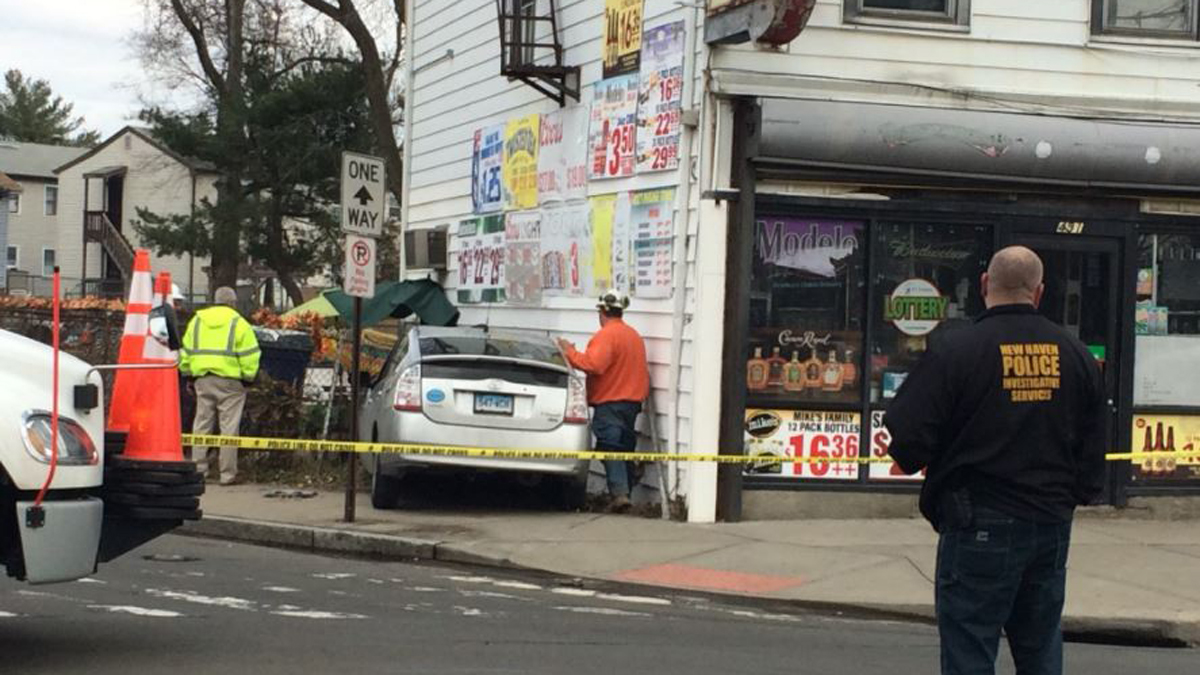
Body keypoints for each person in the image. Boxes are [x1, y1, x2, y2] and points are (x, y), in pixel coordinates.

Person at [884, 246, 1106, 675]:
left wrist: (919, 459)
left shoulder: (957, 350)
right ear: (1039, 292)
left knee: (970, 647)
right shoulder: (1075, 353)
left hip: (977, 522)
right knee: (1040, 644)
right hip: (1050, 524)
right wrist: (1074, 495)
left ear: (985, 284)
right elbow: (1095, 447)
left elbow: (907, 433)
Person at [556, 289, 650, 513]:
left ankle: (620, 494)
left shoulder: (606, 336)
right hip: (632, 403)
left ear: (603, 312)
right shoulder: (633, 336)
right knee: (624, 445)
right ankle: (628, 480)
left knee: (610, 446)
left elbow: (594, 365)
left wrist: (569, 352)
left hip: (610, 402)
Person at [180, 286, 260, 486]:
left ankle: (198, 469)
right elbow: (250, 354)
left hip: (202, 379)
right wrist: (248, 378)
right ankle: (227, 474)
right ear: (232, 303)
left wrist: (189, 375)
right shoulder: (238, 323)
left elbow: (186, 350)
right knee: (229, 428)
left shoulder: (197, 321)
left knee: (201, 424)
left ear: (214, 300)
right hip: (230, 382)